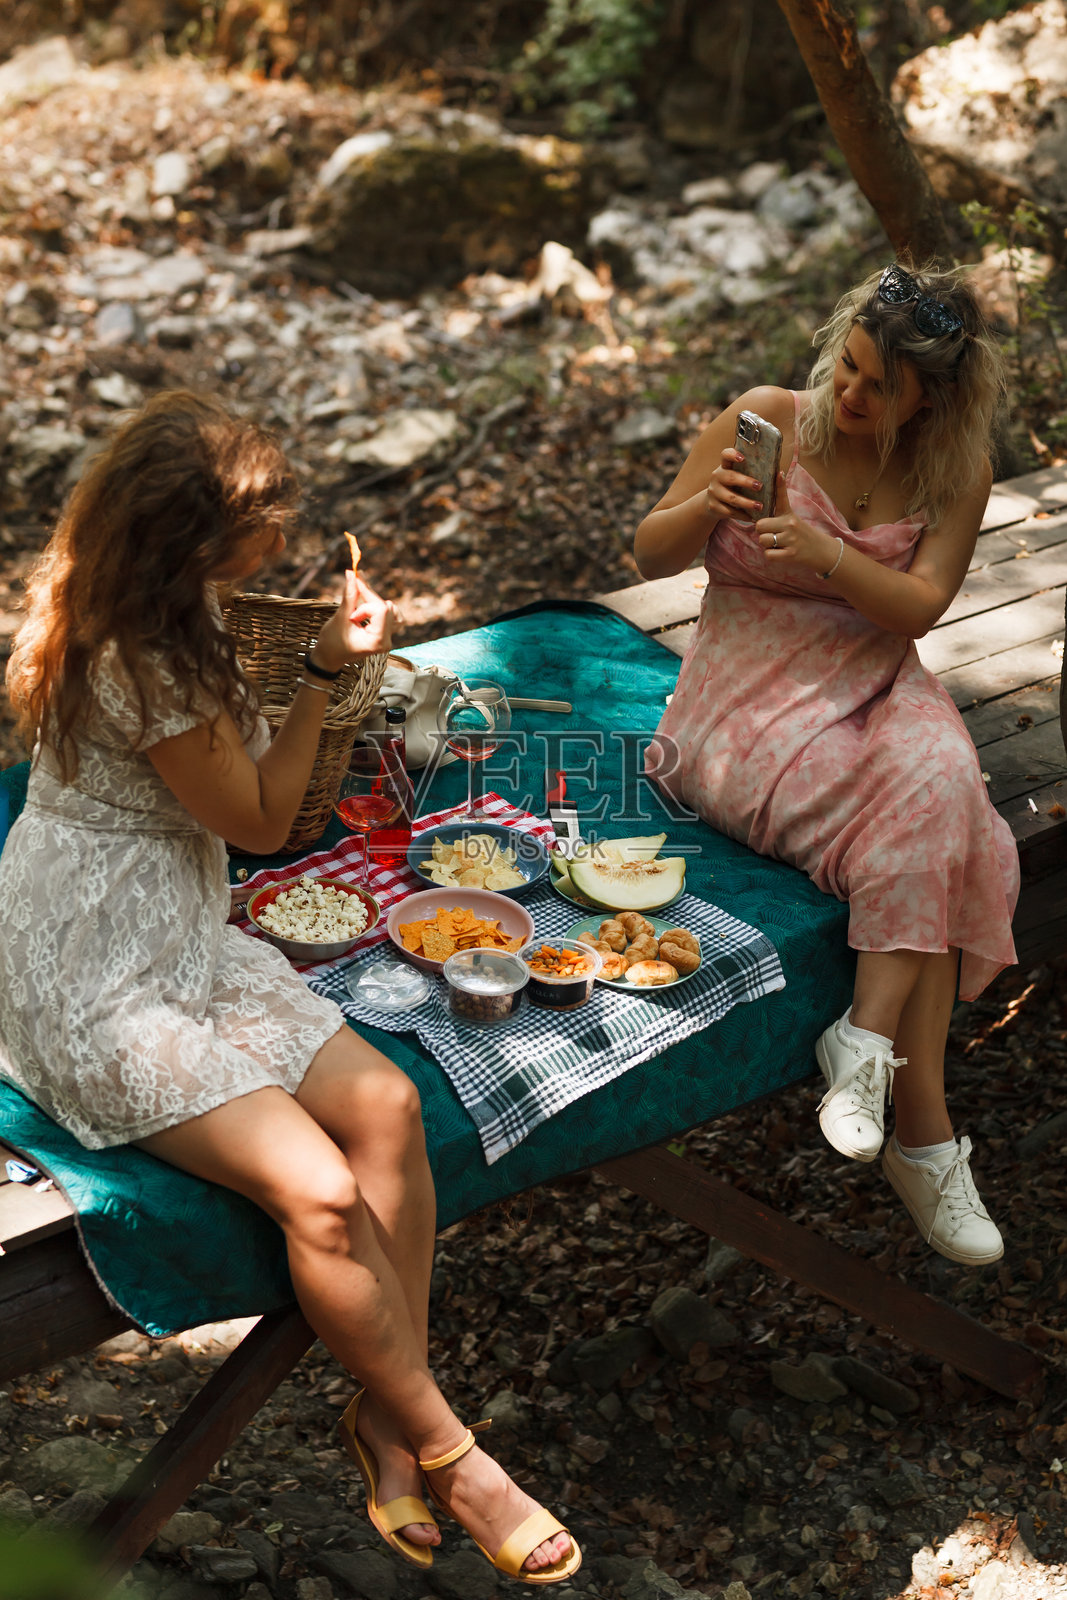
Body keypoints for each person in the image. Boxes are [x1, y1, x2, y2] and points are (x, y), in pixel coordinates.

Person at [0, 391, 580, 1586]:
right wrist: (326, 671)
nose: (286, 537)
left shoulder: (166, 605)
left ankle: (385, 1416)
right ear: (196, 542)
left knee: (389, 1107)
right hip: (93, 970)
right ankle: (449, 1447)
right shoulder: (139, 659)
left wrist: (314, 670)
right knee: (317, 1192)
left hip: (176, 929)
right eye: (265, 522)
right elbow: (265, 823)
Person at [635, 263, 1017, 1267]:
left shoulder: (953, 472)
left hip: (876, 680)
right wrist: (704, 508)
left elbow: (918, 609)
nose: (848, 393)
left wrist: (825, 552)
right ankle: (922, 1135)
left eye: (879, 387)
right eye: (846, 366)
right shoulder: (766, 416)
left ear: (930, 400)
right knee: (945, 825)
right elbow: (647, 552)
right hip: (740, 698)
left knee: (940, 784)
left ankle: (864, 1039)